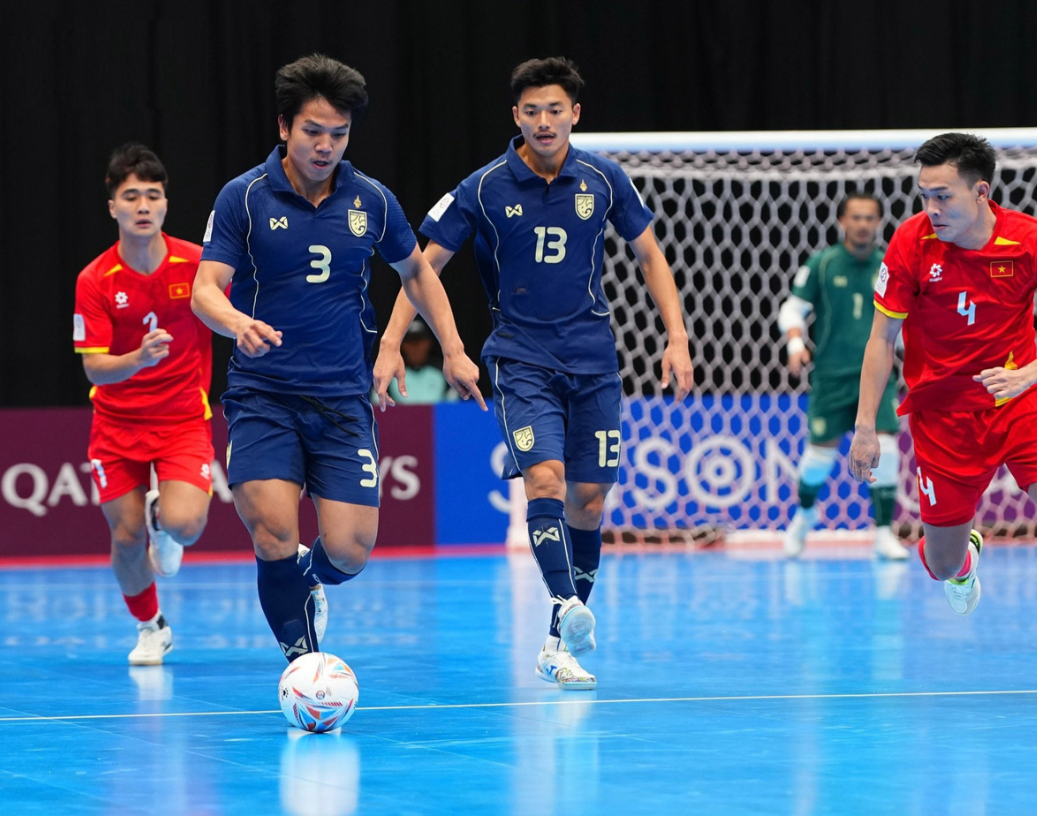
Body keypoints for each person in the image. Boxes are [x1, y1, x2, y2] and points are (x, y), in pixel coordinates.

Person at [373, 57, 694, 690]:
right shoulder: (484, 187)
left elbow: (650, 256)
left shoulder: (604, 178)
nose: (543, 121)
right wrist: (393, 343)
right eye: (531, 111)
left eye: (554, 110)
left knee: (589, 501)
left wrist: (677, 337)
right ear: (515, 116)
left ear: (575, 114)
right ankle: (567, 604)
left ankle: (556, 646)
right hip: (520, 359)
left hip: (594, 359)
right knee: (545, 480)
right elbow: (421, 266)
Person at [191, 54, 483, 663]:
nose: (325, 146)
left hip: (343, 399)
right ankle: (304, 666)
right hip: (263, 395)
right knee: (273, 531)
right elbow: (205, 290)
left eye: (339, 134)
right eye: (312, 131)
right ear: (284, 127)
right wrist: (237, 323)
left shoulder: (371, 199)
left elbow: (418, 274)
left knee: (350, 551)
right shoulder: (243, 197)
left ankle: (307, 577)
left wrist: (453, 350)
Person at [849, 132, 1037, 702]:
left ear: (981, 192)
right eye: (924, 196)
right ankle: (964, 558)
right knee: (942, 565)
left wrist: (1030, 373)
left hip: (1020, 400)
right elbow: (881, 339)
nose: (931, 208)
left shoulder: (1033, 241)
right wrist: (866, 426)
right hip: (943, 416)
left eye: (943, 196)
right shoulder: (911, 242)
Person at [73, 143, 215, 665]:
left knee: (186, 524)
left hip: (182, 418)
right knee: (127, 535)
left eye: (153, 196)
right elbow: (94, 368)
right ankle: (151, 626)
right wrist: (138, 358)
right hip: (117, 423)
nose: (143, 206)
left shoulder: (196, 264)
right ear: (113, 206)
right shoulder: (95, 280)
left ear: (165, 204)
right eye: (131, 196)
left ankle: (164, 519)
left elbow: (227, 311)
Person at [777, 193, 909, 560]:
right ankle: (804, 515)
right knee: (818, 457)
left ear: (878, 222)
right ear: (842, 222)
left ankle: (883, 532)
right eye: (856, 217)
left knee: (886, 447)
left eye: (869, 218)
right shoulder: (823, 264)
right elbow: (792, 309)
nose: (863, 224)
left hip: (877, 378)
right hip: (832, 376)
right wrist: (795, 342)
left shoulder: (890, 266)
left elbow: (904, 325)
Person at [392, 317, 457, 404]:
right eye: (410, 342)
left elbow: (453, 401)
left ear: (428, 343)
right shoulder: (392, 373)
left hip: (437, 413)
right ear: (403, 345)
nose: (416, 347)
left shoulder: (443, 370)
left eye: (420, 341)